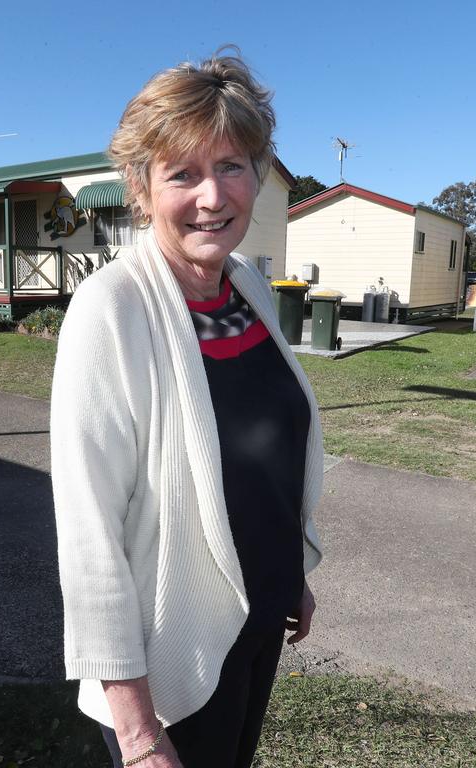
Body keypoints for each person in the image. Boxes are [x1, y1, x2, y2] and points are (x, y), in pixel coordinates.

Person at [50, 49, 324, 768]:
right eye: (183, 173)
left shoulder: (248, 291)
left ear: (257, 178)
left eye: (231, 166)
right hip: (167, 666)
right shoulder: (111, 308)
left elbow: (267, 457)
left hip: (257, 620)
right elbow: (88, 538)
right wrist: (140, 737)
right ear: (141, 191)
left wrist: (290, 568)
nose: (213, 196)